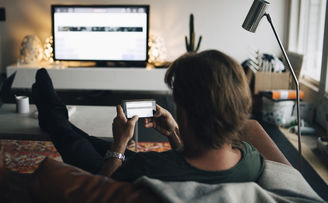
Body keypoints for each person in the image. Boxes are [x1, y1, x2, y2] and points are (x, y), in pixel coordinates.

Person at [32, 49, 290, 183]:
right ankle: (56, 116)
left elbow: (101, 190)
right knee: (89, 140)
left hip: (115, 170)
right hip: (158, 161)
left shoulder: (151, 169)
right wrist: (174, 134)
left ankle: (52, 114)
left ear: (186, 112)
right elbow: (197, 161)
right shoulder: (251, 157)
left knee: (70, 139)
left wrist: (120, 144)